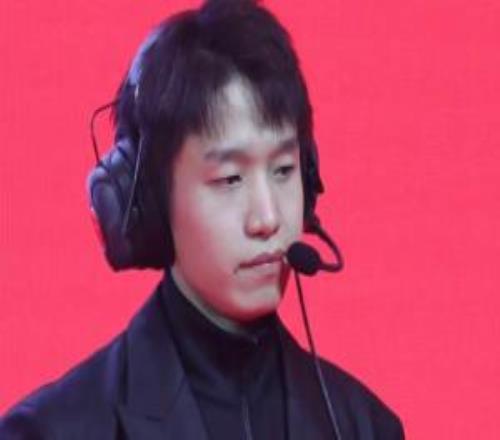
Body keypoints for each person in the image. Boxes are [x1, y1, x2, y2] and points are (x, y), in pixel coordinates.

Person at [0, 0, 405, 438]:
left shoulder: (366, 426)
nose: (267, 218)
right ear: (152, 202)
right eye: (230, 179)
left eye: (284, 170)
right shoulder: (48, 431)